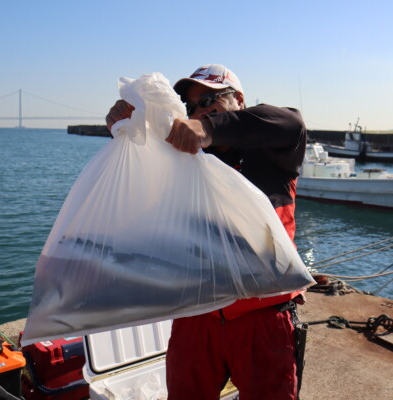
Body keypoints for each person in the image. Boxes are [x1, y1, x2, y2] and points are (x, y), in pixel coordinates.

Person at [106, 64, 307, 400]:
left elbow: (292, 121)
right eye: (194, 106)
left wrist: (207, 129)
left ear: (239, 100)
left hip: (261, 316)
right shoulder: (187, 159)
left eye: (211, 99)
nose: (201, 110)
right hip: (196, 313)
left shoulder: (274, 152)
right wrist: (125, 121)